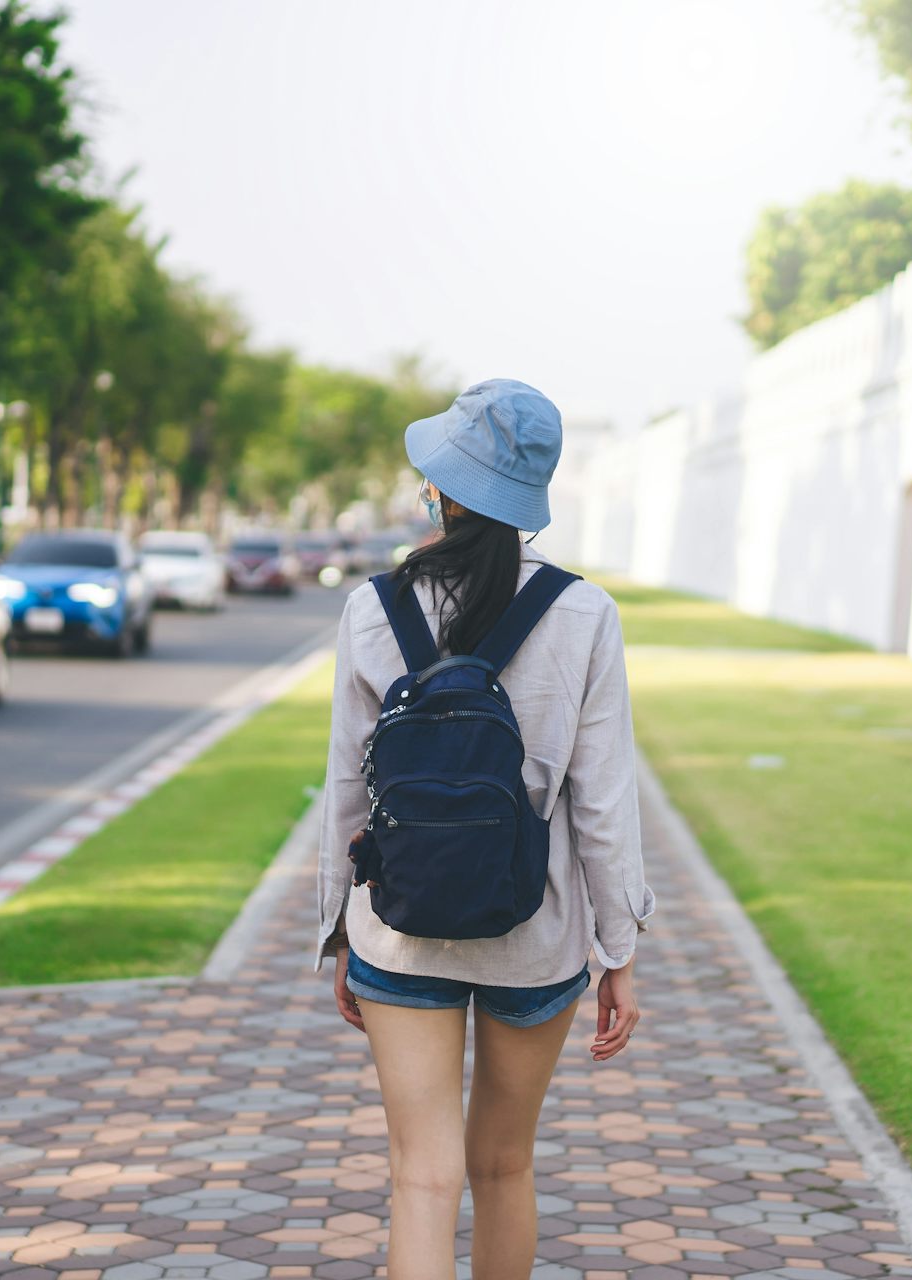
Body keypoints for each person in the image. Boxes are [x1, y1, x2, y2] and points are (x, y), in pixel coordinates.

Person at [316, 379, 656, 1280]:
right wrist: (618, 949)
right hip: (535, 936)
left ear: (445, 487)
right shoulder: (585, 614)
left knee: (420, 1181)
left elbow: (349, 788)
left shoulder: (372, 608)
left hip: (401, 928)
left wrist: (336, 931)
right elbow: (604, 801)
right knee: (503, 1167)